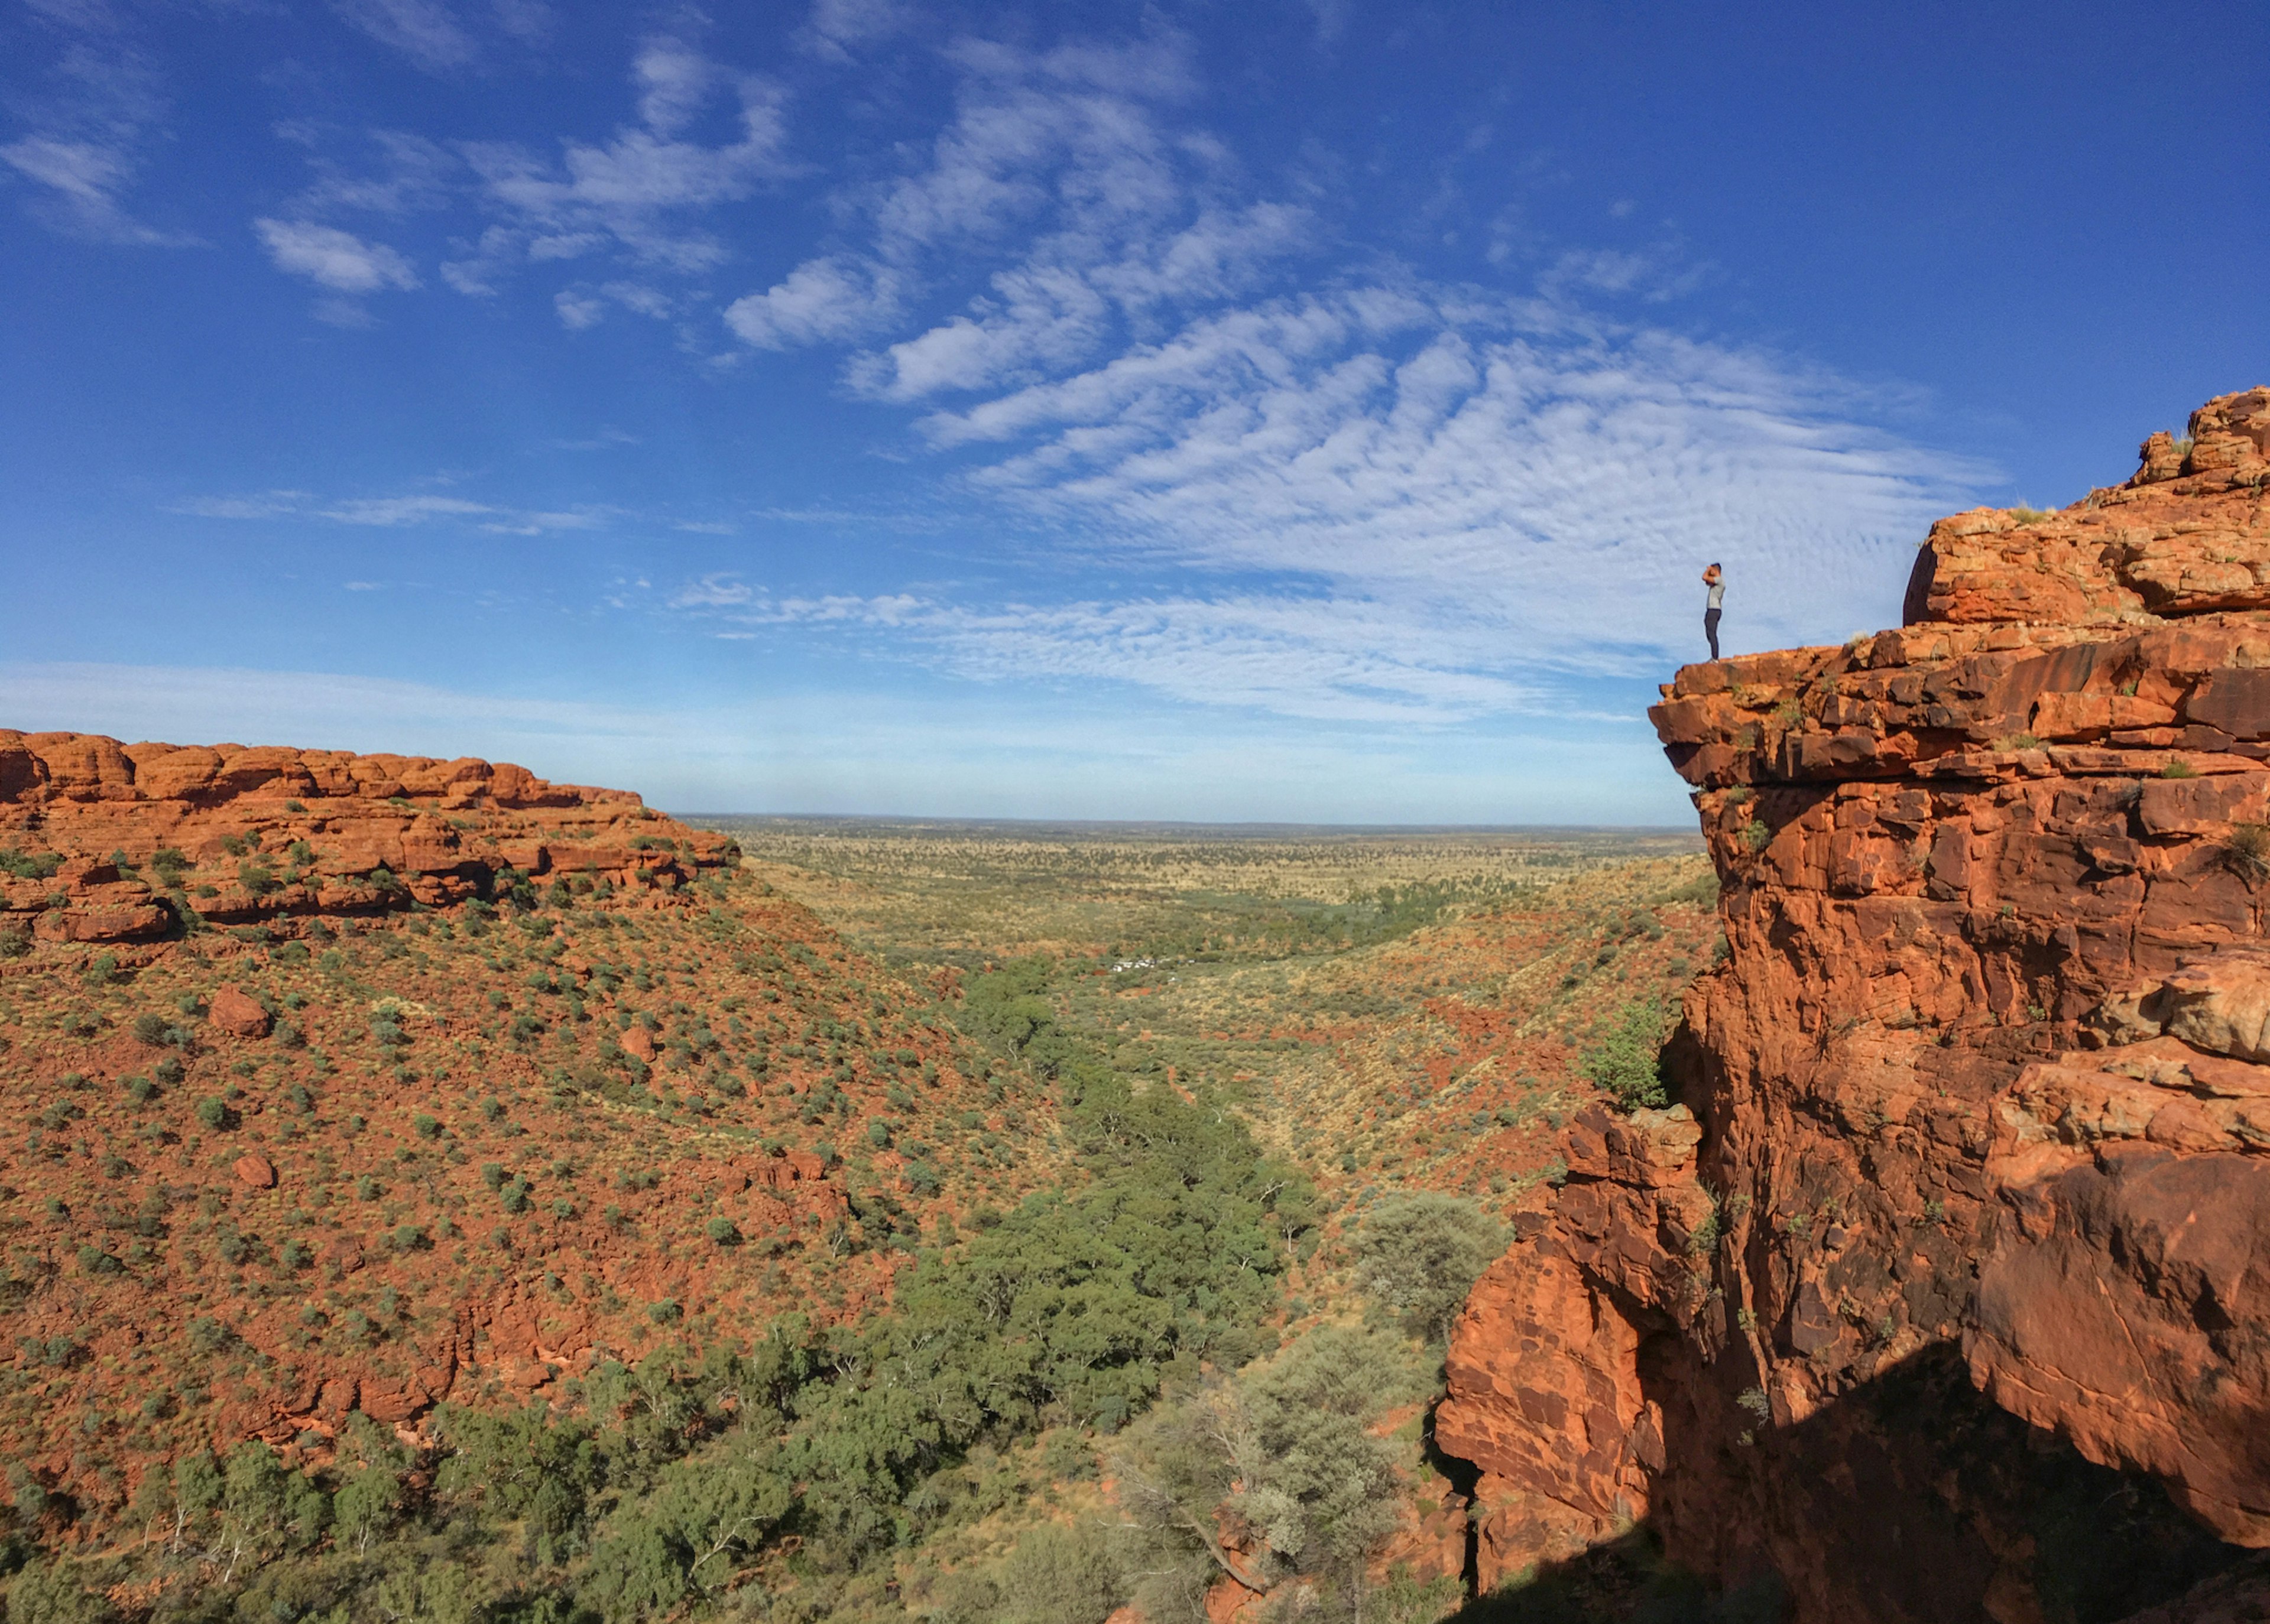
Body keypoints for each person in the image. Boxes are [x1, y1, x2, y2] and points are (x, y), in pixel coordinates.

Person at [1702, 563, 1724, 660]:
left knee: (1712, 634)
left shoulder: (1720, 580)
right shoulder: (1717, 582)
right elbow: (1707, 582)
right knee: (1710, 633)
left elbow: (1704, 578)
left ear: (1716, 571)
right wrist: (1711, 572)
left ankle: (1715, 658)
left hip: (1714, 610)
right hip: (1714, 610)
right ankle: (1714, 657)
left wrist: (1709, 570)